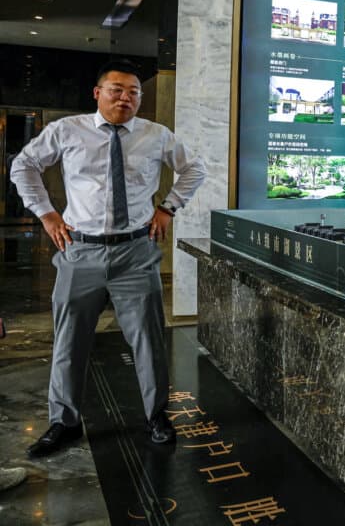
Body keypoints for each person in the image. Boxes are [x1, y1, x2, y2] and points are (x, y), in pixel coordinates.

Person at [11, 60, 206, 458]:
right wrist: (47, 214)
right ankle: (63, 422)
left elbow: (194, 169)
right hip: (79, 250)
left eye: (134, 91)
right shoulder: (67, 130)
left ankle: (156, 416)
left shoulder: (156, 135)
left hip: (135, 251)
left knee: (148, 340)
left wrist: (168, 207)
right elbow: (23, 165)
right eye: (116, 89)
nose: (126, 97)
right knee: (70, 339)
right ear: (97, 93)